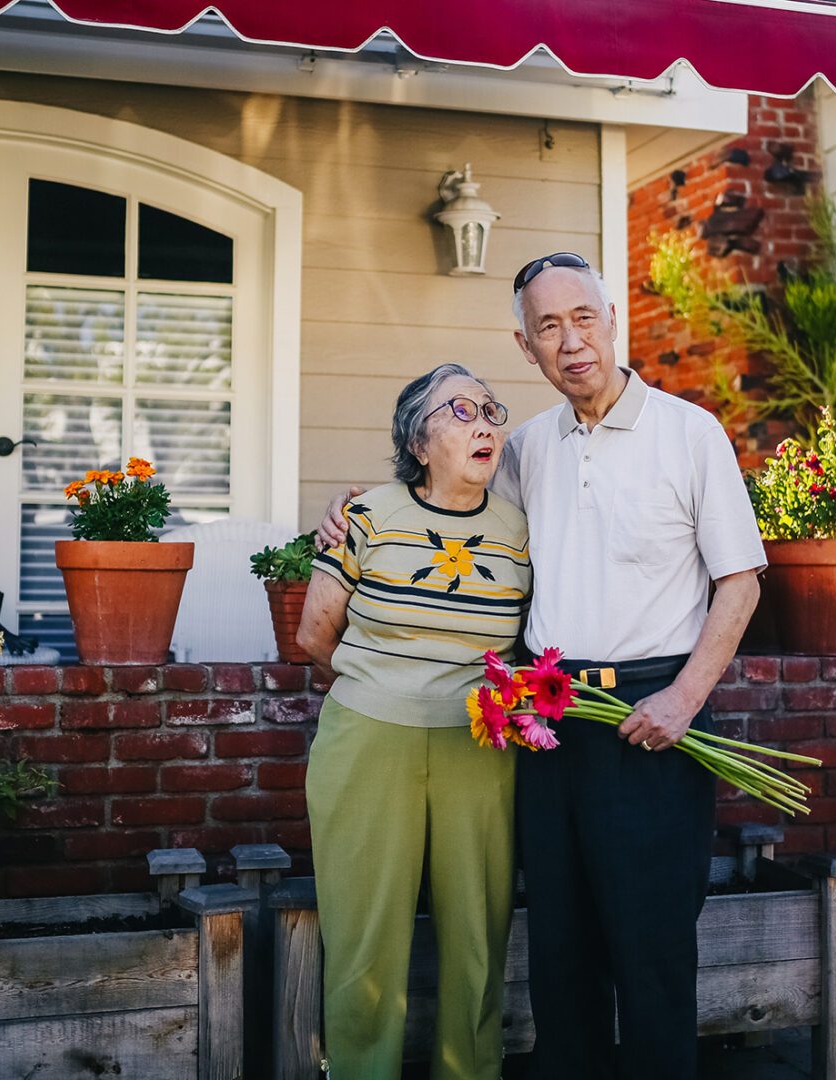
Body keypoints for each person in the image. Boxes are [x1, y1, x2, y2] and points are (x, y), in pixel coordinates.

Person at [317, 254, 765, 1079]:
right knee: (561, 955)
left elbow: (739, 578)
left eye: (583, 317)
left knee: (652, 951)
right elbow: (446, 500)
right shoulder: (525, 449)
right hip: (549, 721)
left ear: (611, 318)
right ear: (526, 348)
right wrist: (353, 517)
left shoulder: (688, 431)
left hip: (652, 720)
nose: (571, 341)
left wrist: (684, 697)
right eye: (548, 327)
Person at [297, 363, 532, 1080]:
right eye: (460, 410)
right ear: (418, 441)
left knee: (477, 940)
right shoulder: (366, 515)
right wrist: (390, 688)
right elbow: (314, 635)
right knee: (364, 940)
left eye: (492, 408)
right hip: (368, 741)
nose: (485, 422)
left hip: (480, 746)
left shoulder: (522, 530)